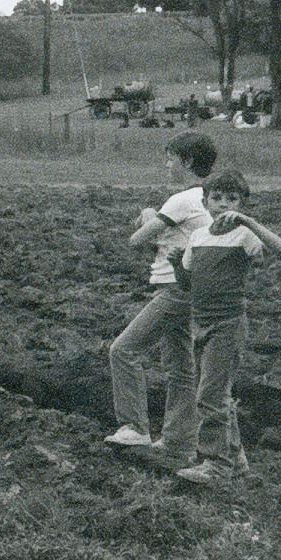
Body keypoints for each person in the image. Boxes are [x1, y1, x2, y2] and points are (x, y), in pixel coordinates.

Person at [106, 131, 219, 460]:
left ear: (185, 162)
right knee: (181, 368)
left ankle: (135, 427)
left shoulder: (182, 200)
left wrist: (147, 213)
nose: (166, 164)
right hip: (193, 289)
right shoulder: (204, 198)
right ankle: (179, 442)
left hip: (175, 290)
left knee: (123, 350)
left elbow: (137, 240)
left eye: (170, 158)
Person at [171, 171, 281, 485]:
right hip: (202, 322)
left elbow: (280, 248)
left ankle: (216, 465)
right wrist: (173, 264)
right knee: (215, 394)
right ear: (205, 201)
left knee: (210, 395)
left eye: (232, 199)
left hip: (228, 323)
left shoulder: (243, 235)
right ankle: (236, 464)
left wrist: (248, 222)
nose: (224, 204)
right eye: (217, 198)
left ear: (242, 202)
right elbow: (189, 281)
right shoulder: (198, 237)